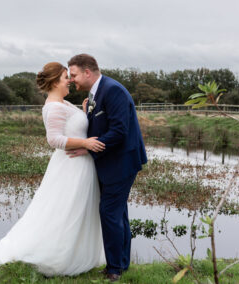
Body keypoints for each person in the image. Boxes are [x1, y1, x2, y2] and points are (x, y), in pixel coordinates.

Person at [0, 62, 106, 276]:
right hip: (70, 166)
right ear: (54, 82)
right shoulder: (53, 106)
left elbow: (72, 127)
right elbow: (54, 140)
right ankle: (56, 256)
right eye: (66, 78)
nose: (70, 82)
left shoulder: (63, 103)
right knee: (64, 211)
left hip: (81, 165)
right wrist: (85, 144)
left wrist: (83, 113)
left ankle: (77, 253)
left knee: (77, 210)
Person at [67, 54, 147, 282]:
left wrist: (90, 148)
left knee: (109, 212)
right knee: (118, 213)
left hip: (121, 162)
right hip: (110, 161)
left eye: (73, 75)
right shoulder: (96, 93)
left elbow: (119, 131)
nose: (72, 80)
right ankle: (121, 263)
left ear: (87, 72)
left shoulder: (113, 90)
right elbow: (102, 124)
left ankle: (114, 269)